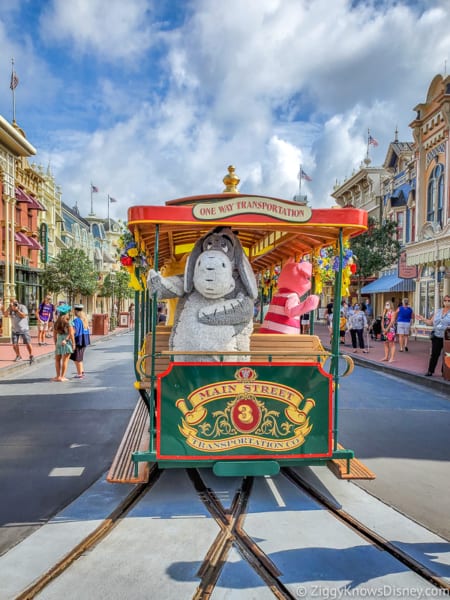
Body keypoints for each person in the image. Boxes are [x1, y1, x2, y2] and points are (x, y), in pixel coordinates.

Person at [416, 295, 450, 377]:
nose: (447, 302)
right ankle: (430, 371)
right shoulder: (438, 311)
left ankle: (444, 372)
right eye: (445, 300)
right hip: (437, 336)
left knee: (447, 355)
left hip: (447, 337)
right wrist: (423, 319)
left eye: (449, 300)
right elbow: (431, 322)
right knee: (434, 354)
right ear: (443, 301)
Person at [4, 298, 34, 364]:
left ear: (17, 302)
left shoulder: (22, 307)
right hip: (15, 329)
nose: (13, 304)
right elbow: (5, 315)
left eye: (14, 303)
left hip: (24, 329)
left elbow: (23, 316)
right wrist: (9, 308)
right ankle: (18, 355)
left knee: (28, 343)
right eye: (12, 303)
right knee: (14, 344)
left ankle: (31, 355)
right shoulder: (10, 309)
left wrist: (17, 310)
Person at [52, 304, 75, 382]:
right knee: (65, 360)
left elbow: (54, 335)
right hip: (66, 342)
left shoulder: (56, 322)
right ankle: (62, 377)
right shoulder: (69, 322)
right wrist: (73, 343)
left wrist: (56, 343)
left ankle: (57, 376)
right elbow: (71, 334)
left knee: (57, 360)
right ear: (66, 313)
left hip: (59, 342)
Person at [70, 304, 91, 379]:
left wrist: (69, 338)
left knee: (77, 357)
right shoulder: (84, 319)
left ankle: (79, 374)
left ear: (76, 311)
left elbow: (74, 331)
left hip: (78, 339)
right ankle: (81, 372)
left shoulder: (76, 320)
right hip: (84, 339)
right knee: (80, 357)